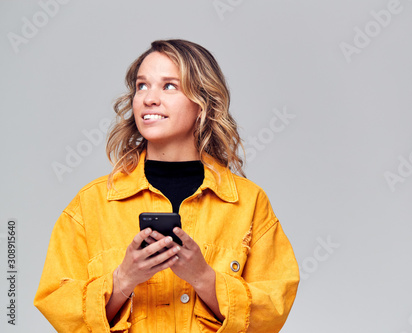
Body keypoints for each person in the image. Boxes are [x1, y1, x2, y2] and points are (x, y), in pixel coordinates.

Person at [34, 39, 300, 332]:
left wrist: (203, 278)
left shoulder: (248, 203)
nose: (149, 98)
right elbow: (57, 304)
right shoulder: (91, 203)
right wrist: (123, 279)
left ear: (203, 104)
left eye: (169, 86)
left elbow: (274, 308)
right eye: (142, 86)